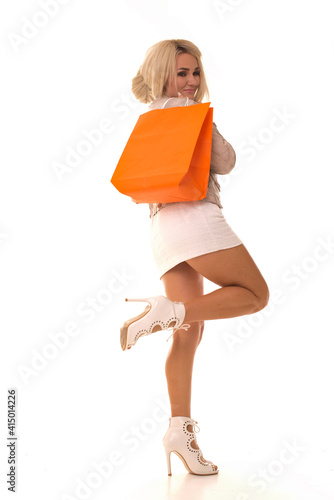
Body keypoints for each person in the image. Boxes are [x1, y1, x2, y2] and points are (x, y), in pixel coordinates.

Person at [120, 39, 270, 476]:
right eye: (181, 73)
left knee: (187, 332)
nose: (190, 81)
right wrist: (206, 118)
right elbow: (227, 162)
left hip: (162, 229)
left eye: (195, 73)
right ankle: (167, 310)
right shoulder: (191, 115)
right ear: (162, 74)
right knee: (255, 294)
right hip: (196, 220)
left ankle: (178, 433)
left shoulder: (149, 117)